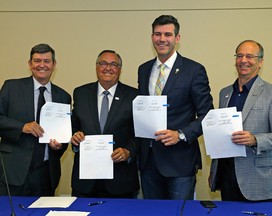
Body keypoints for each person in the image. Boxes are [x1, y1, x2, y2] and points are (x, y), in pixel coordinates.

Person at [137, 15, 214, 200]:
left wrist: (179, 134)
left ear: (177, 39)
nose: (162, 39)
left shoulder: (194, 70)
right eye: (157, 34)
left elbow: (208, 115)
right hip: (148, 160)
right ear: (152, 37)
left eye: (167, 34)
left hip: (180, 161)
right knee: (152, 213)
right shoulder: (144, 69)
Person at [209, 40, 272, 201]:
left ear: (260, 62)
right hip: (226, 176)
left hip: (257, 181)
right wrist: (214, 171)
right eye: (239, 55)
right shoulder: (225, 93)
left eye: (250, 56)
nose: (243, 60)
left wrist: (255, 139)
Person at [0, 43, 71, 196]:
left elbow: (64, 136)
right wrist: (22, 127)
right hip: (13, 171)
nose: (42, 65)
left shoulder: (63, 96)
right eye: (37, 60)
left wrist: (58, 146)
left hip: (46, 174)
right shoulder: (11, 87)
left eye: (47, 61)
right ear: (30, 64)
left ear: (54, 65)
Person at [71, 50, 139, 198]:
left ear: (120, 69)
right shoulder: (80, 93)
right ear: (96, 67)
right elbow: (73, 126)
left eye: (114, 64)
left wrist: (128, 151)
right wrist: (74, 137)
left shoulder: (134, 96)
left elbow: (139, 133)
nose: (108, 68)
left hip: (121, 179)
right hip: (85, 180)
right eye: (103, 63)